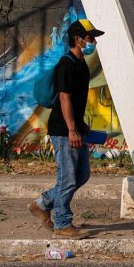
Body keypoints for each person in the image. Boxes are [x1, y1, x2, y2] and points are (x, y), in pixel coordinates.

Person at [28, 18, 104, 239]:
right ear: (78, 39)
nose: (94, 42)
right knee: (68, 177)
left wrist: (81, 125)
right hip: (63, 130)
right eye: (90, 38)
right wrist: (72, 129)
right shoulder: (67, 64)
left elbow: (77, 100)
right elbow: (64, 99)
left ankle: (42, 204)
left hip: (75, 127)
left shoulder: (81, 65)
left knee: (82, 174)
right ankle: (62, 224)